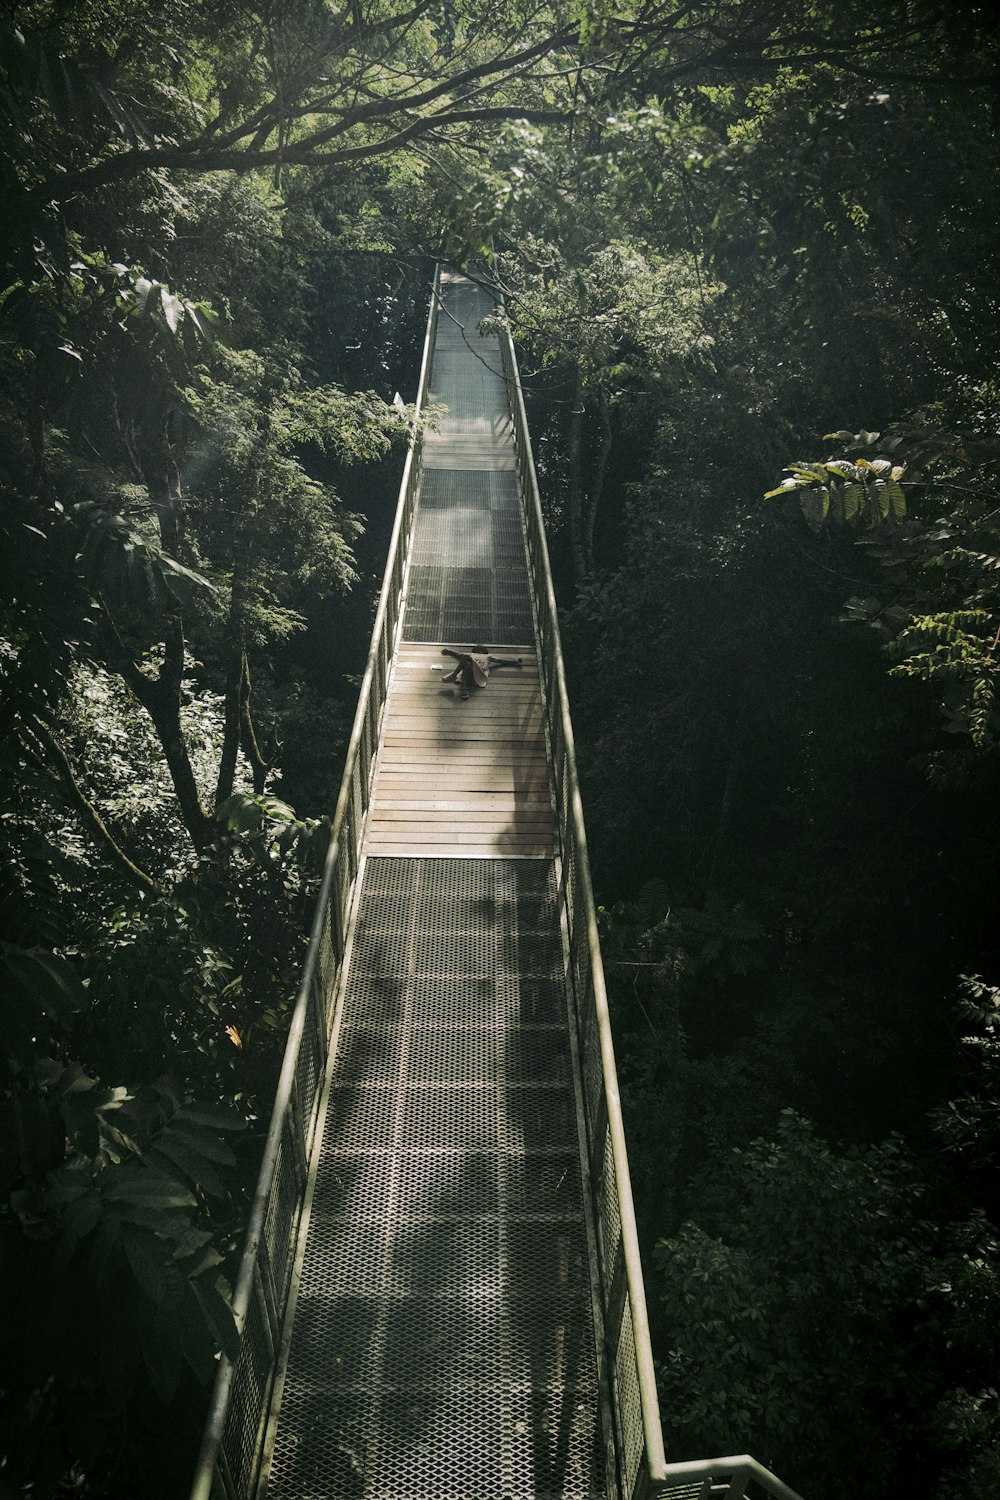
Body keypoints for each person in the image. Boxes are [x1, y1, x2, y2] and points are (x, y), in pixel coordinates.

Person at [440, 645, 522, 699]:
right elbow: (458, 654)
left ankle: (454, 676)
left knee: (466, 658)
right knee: (467, 663)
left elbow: (501, 660)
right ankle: (464, 690)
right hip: (470, 675)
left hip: (479, 675)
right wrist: (448, 651)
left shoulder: (488, 656)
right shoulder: (472, 655)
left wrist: (514, 661)